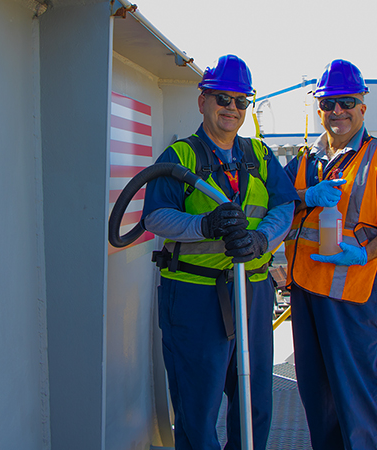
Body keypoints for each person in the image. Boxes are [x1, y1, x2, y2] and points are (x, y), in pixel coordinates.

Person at [141, 54, 299, 449]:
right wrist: (203, 226)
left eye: (240, 101)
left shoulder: (260, 156)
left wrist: (262, 240)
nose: (231, 108)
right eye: (222, 99)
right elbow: (154, 217)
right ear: (203, 102)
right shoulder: (180, 158)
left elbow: (285, 205)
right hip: (195, 297)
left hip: (253, 291)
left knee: (255, 403)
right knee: (197, 409)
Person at [283, 59, 377, 450]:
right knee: (318, 398)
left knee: (362, 403)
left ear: (362, 106)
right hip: (308, 298)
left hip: (357, 302)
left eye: (345, 102)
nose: (337, 112)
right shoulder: (305, 162)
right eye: (328, 104)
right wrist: (301, 196)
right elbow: (278, 205)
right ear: (319, 109)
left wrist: (364, 253)